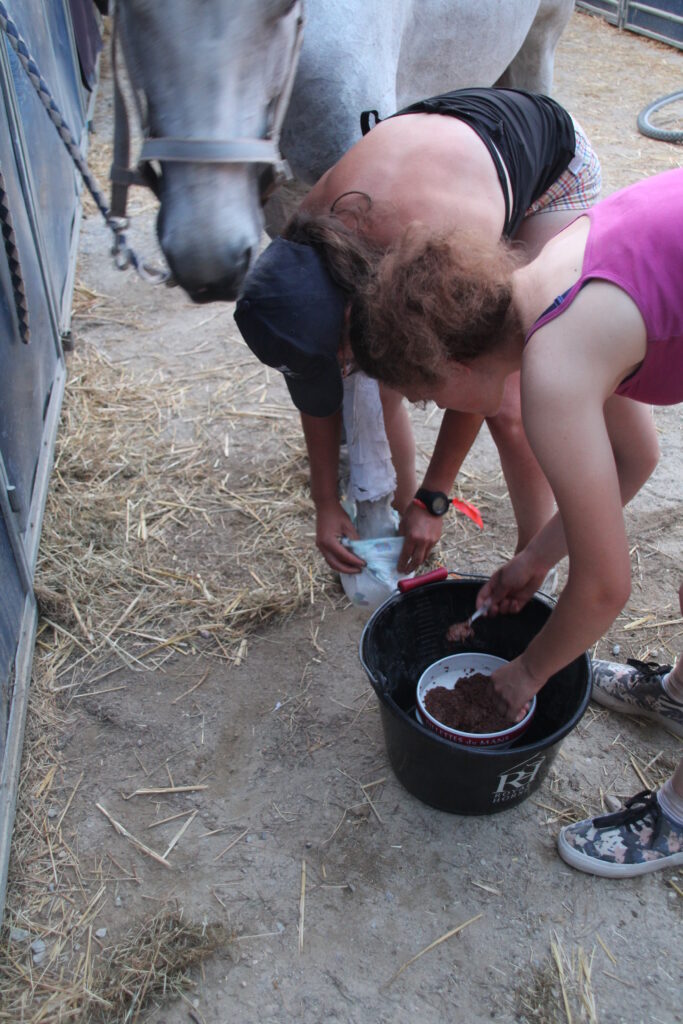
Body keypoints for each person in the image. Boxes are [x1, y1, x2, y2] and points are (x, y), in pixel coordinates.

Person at [347, 166, 681, 876]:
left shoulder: (554, 370)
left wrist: (524, 675)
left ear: (452, 361)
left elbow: (604, 589)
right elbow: (634, 459)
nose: (434, 410)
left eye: (425, 396)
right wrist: (536, 555)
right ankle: (677, 696)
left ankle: (678, 819)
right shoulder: (550, 274)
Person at [234, 87, 602, 579]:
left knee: (514, 401)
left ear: (350, 312)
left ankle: (533, 566)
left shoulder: (436, 247)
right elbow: (314, 388)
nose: (342, 368)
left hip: (551, 172)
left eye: (340, 357)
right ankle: (404, 532)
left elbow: (483, 371)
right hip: (451, 152)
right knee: (388, 379)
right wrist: (324, 501)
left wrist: (436, 496)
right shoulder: (301, 259)